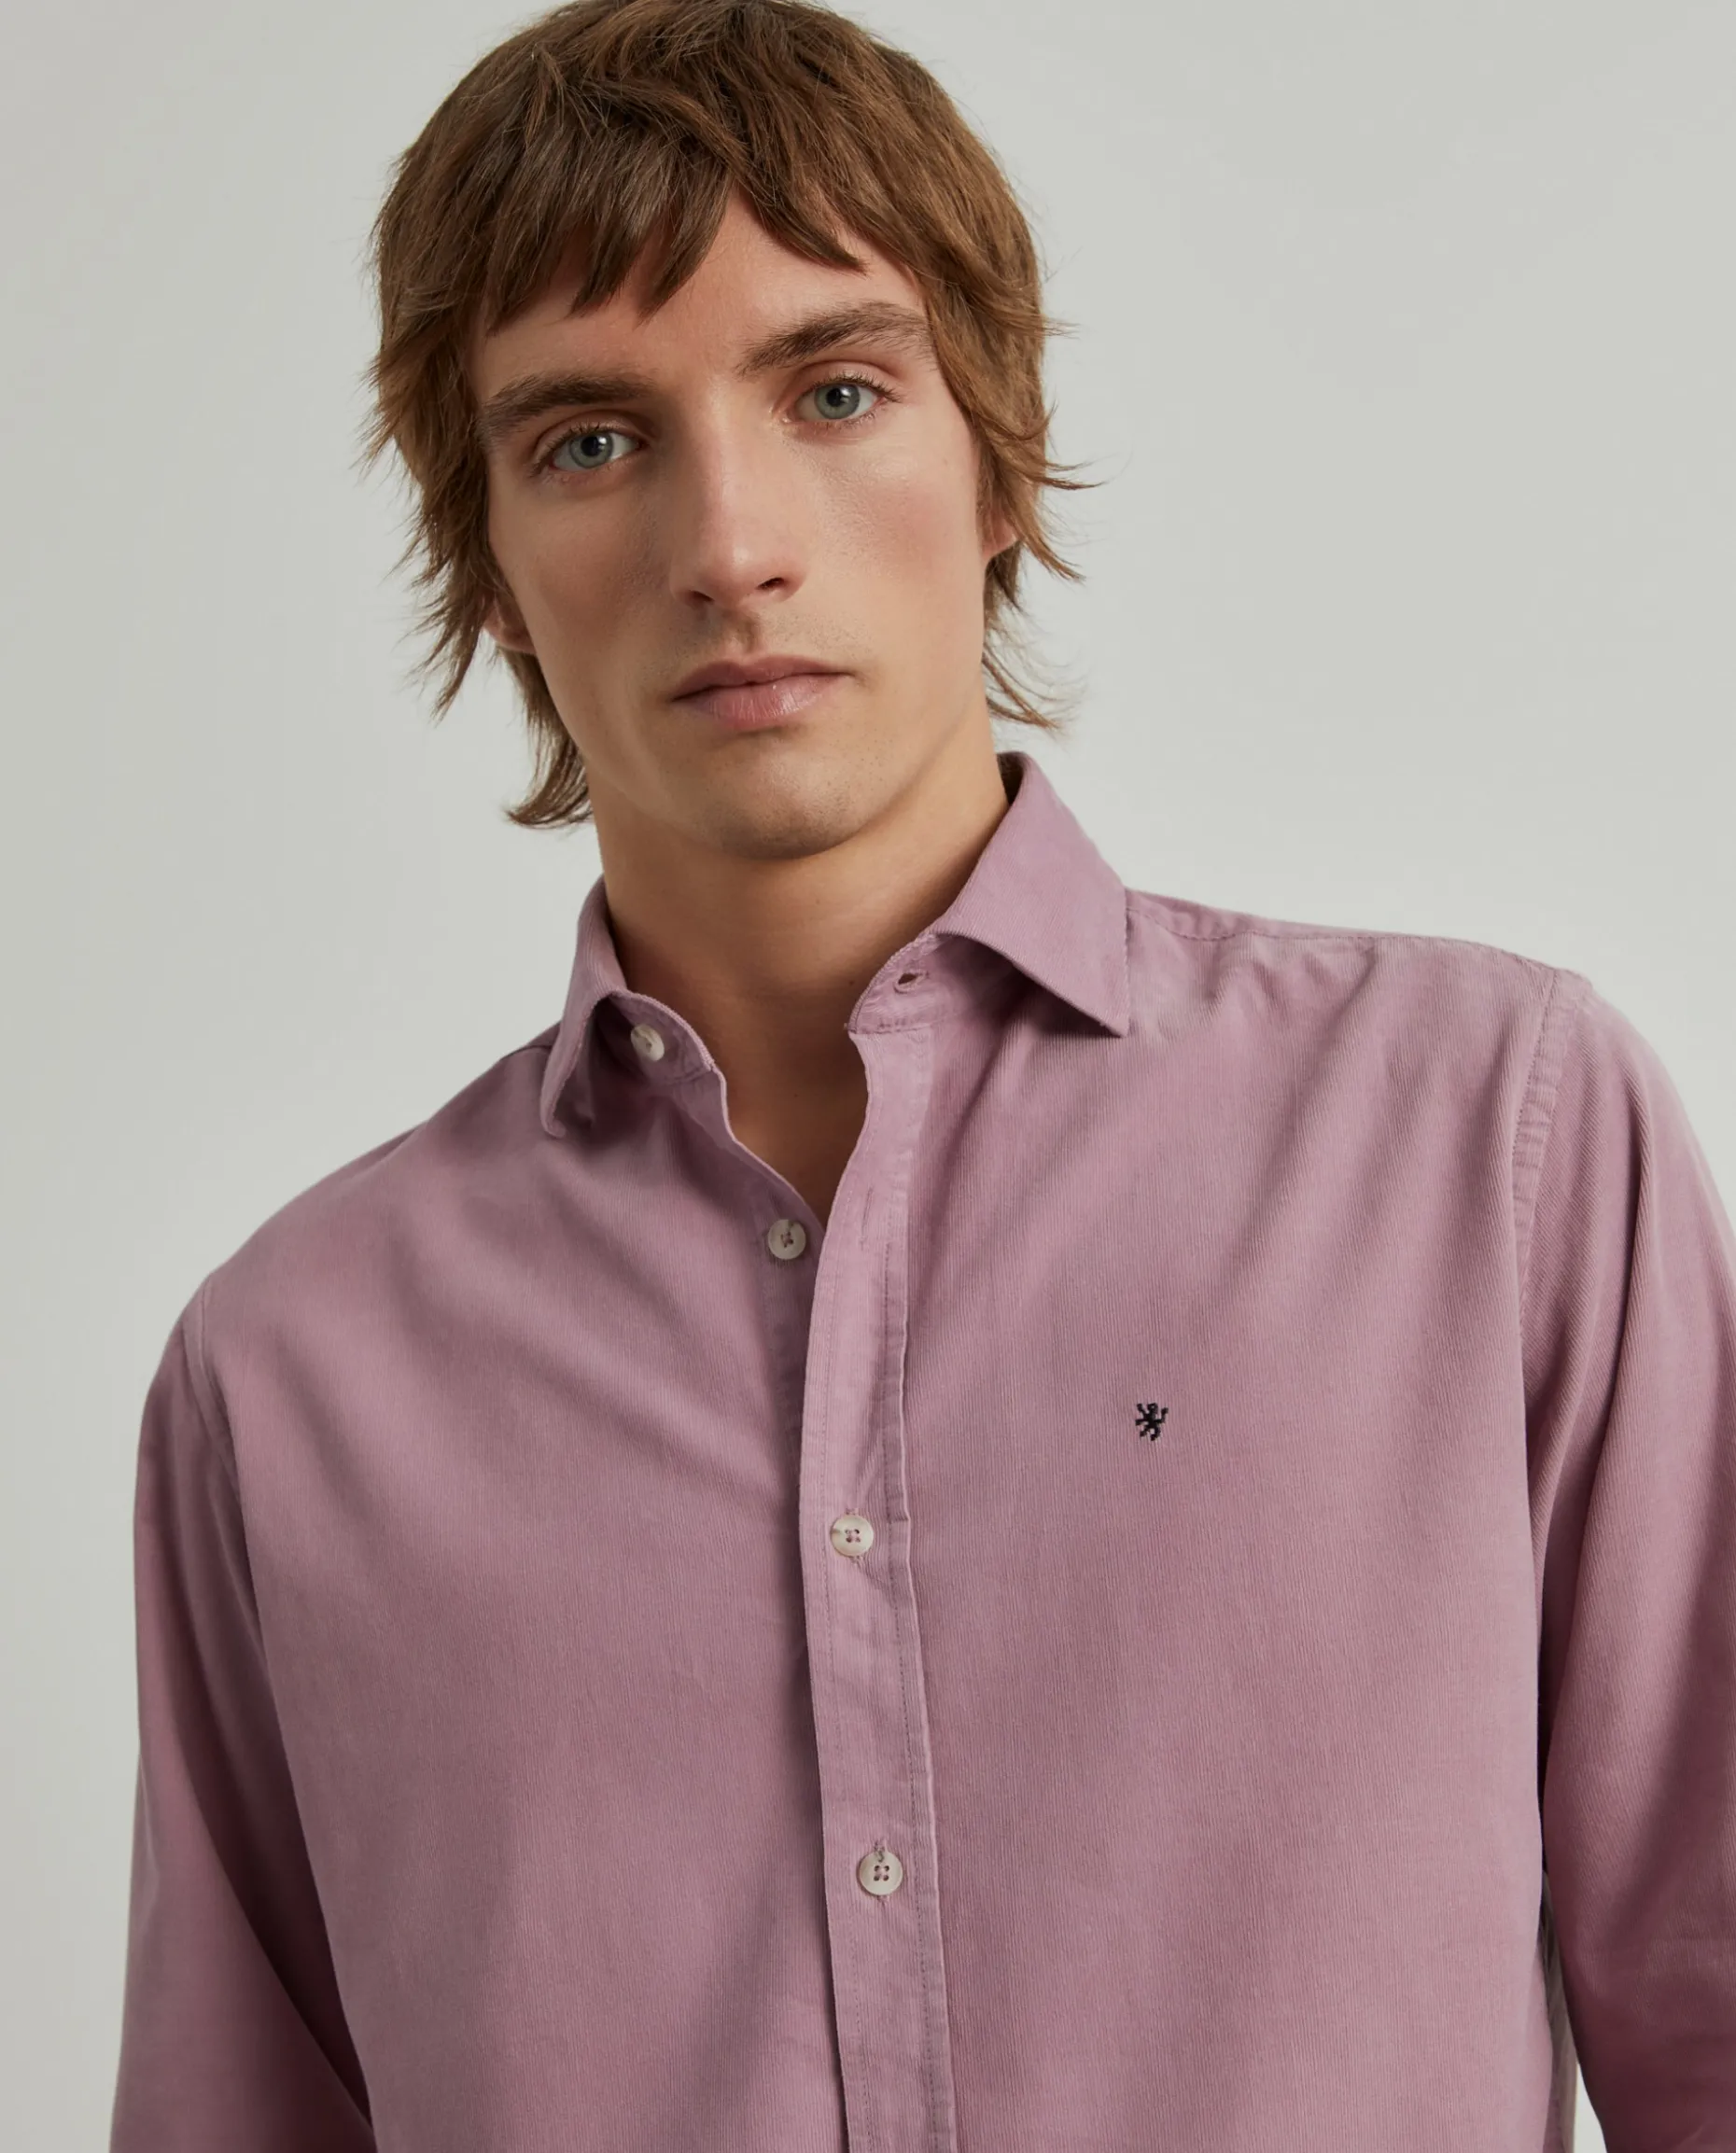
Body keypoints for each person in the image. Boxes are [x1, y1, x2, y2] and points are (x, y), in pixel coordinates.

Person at [107, 2, 1735, 2147]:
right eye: (587, 440)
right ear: (486, 564)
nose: (730, 545)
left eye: (836, 389)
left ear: (1000, 451)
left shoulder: (1483, 1147)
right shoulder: (290, 1379)